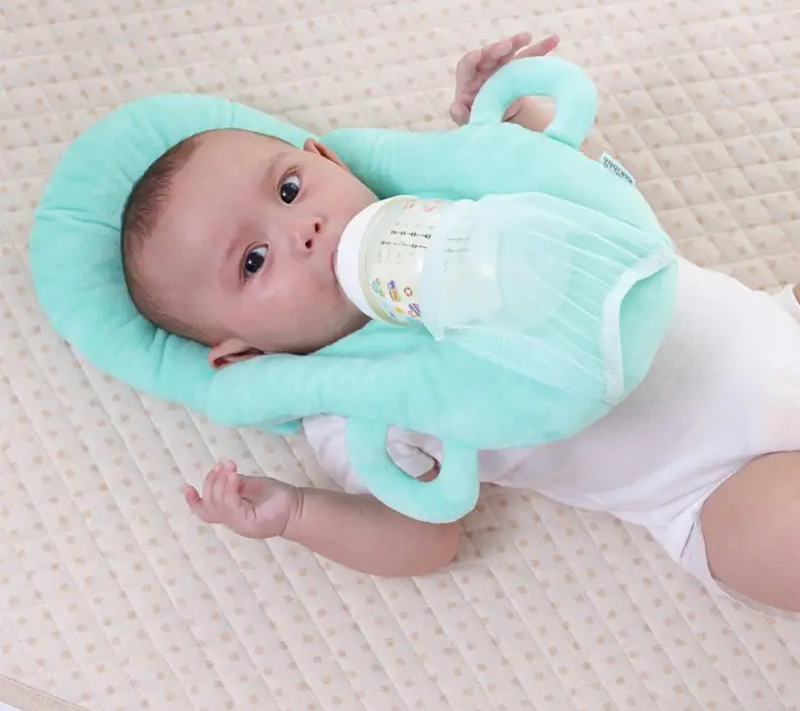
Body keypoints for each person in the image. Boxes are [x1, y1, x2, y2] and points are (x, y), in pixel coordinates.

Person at [120, 32, 800, 612]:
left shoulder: (455, 197)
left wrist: (512, 118)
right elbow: (425, 535)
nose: (302, 230)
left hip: (780, 327)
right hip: (712, 486)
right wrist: (298, 514)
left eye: (290, 189)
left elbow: (594, 194)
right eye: (253, 261)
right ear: (243, 355)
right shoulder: (355, 405)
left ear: (330, 160)